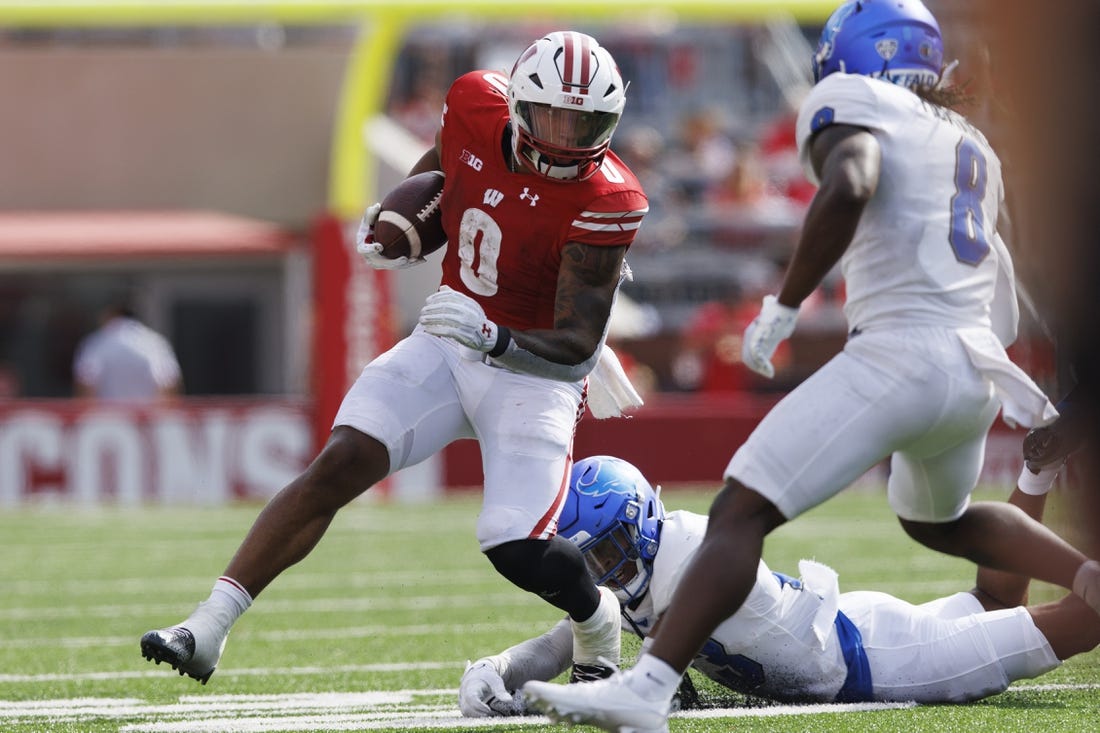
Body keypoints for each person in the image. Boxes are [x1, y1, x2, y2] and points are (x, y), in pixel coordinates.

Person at [522, 3, 1100, 731]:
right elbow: (1005, 280)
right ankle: (1086, 571)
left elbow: (852, 180)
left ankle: (647, 691)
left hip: (902, 353)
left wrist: (786, 304)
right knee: (939, 519)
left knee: (741, 509)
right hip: (974, 363)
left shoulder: (850, 100)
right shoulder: (968, 139)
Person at [139, 30, 648, 685]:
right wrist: (399, 222)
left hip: (535, 371)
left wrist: (493, 336)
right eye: (555, 116)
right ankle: (207, 626)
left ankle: (595, 618)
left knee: (512, 543)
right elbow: (445, 166)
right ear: (519, 104)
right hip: (446, 342)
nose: (569, 136)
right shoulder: (474, 104)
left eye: (587, 123)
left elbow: (577, 346)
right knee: (340, 460)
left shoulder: (610, 198)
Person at [463, 456, 1097, 717]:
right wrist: (499, 668)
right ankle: (1039, 469)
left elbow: (621, 678)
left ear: (640, 524)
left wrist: (548, 695)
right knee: (992, 606)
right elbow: (571, 632)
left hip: (883, 662)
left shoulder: (686, 560)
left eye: (606, 552)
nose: (602, 572)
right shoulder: (650, 566)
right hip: (853, 624)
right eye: (590, 559)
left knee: (1083, 618)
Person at [72, 299, 182, 401]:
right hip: (147, 417)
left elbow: (86, 382)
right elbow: (168, 383)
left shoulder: (97, 341)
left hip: (107, 417)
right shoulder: (155, 342)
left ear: (111, 314)